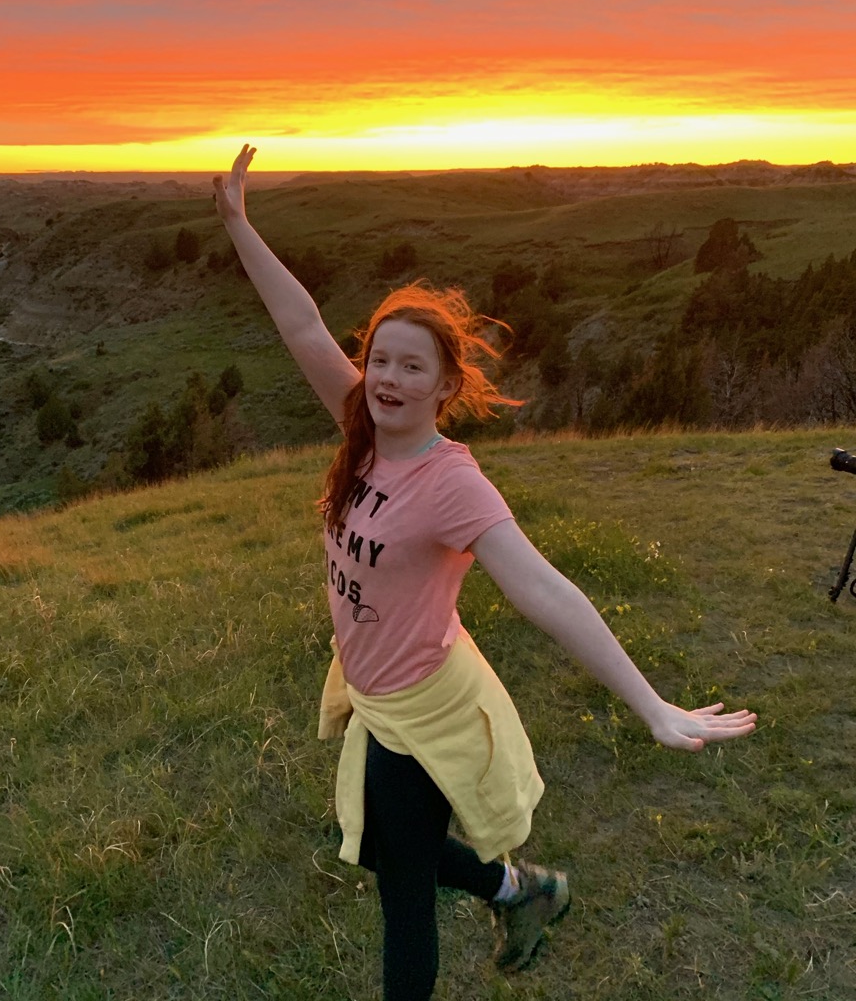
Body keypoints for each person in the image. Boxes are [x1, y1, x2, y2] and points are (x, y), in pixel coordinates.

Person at [213, 144, 756, 1001]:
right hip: (381, 694)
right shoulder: (361, 426)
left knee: (400, 892)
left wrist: (651, 705)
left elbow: (542, 588)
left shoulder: (450, 481)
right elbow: (301, 325)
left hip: (429, 710)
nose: (386, 377)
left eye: (410, 367)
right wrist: (240, 224)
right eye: (380, 359)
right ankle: (523, 891)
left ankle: (520, 893)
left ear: (442, 387)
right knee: (402, 850)